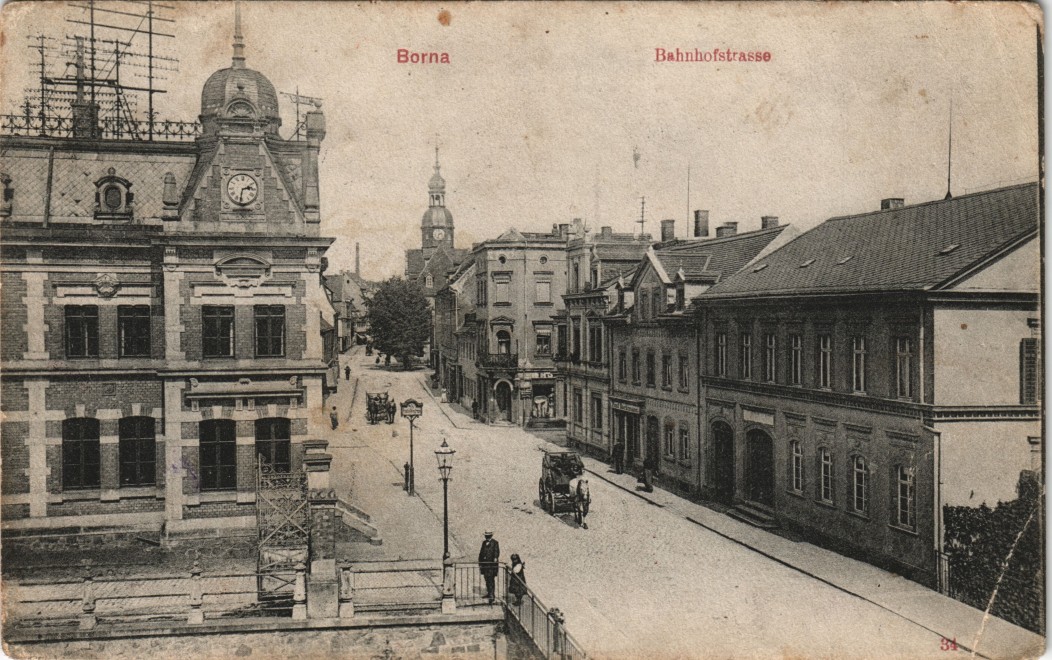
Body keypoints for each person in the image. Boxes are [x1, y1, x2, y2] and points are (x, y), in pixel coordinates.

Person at [477, 531, 500, 602]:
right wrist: (480, 562)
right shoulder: (484, 543)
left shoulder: (495, 543)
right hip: (484, 565)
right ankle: (489, 593)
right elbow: (481, 552)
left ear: (491, 536)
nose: (486, 537)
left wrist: (495, 558)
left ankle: (492, 596)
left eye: (488, 535)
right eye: (486, 535)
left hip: (491, 566)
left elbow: (497, 552)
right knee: (487, 579)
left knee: (491, 580)